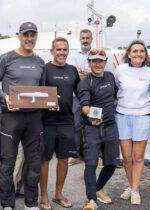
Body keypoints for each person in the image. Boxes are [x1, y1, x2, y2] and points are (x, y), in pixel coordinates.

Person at [0, 22, 45, 210]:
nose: (29, 38)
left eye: (33, 35)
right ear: (19, 36)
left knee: (34, 164)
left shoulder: (40, 62)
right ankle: (7, 205)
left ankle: (31, 204)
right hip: (11, 118)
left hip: (34, 119)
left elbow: (43, 90)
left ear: (36, 37)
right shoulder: (6, 59)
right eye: (26, 35)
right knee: (7, 164)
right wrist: (4, 97)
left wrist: (51, 100)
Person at [113, 40, 150, 205]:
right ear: (129, 54)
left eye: (141, 51)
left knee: (138, 157)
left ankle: (135, 190)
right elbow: (116, 90)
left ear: (145, 54)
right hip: (122, 115)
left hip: (143, 116)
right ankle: (132, 186)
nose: (138, 54)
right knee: (126, 157)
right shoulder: (120, 70)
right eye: (135, 51)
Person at [40, 37, 80, 210]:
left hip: (66, 122)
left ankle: (58, 194)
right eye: (58, 49)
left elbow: (81, 92)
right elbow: (38, 93)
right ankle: (44, 197)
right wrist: (48, 101)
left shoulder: (72, 70)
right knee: (45, 160)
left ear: (68, 52)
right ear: (52, 51)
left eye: (65, 50)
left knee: (64, 159)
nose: (62, 52)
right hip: (46, 122)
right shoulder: (44, 69)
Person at [77, 49, 119, 210]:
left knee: (112, 163)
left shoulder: (109, 76)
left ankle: (98, 187)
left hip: (110, 126)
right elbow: (85, 105)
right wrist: (92, 115)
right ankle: (91, 200)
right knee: (91, 164)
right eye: (94, 61)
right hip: (92, 128)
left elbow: (115, 96)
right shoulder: (85, 81)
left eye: (100, 60)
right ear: (89, 62)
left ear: (105, 61)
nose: (97, 64)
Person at [67, 29, 92, 166]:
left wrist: (83, 71)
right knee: (75, 125)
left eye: (87, 38)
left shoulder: (96, 53)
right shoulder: (73, 55)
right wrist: (84, 72)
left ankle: (96, 155)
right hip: (76, 95)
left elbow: (96, 70)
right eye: (83, 38)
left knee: (93, 124)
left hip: (92, 95)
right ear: (80, 39)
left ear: (91, 39)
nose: (85, 40)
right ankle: (75, 154)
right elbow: (72, 71)